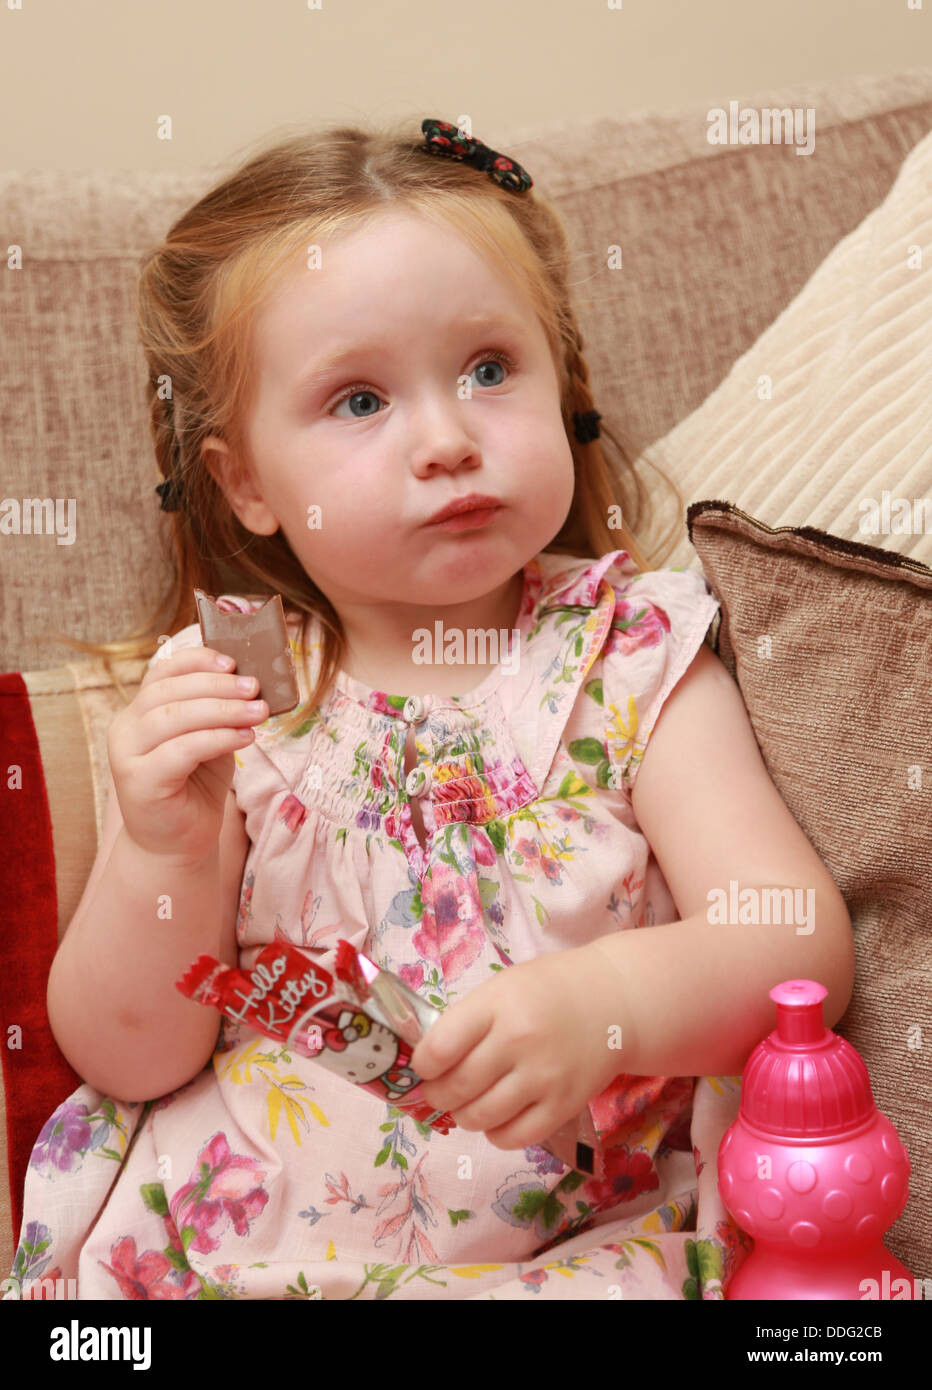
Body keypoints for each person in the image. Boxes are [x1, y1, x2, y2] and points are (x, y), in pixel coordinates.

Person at [6, 117, 854, 1301]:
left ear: (563, 387)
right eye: (358, 401)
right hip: (237, 1259)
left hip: (560, 1259)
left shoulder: (630, 654)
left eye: (490, 370)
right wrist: (164, 843)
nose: (448, 439)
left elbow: (791, 939)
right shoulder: (234, 692)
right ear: (245, 482)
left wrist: (605, 1005)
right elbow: (128, 1054)